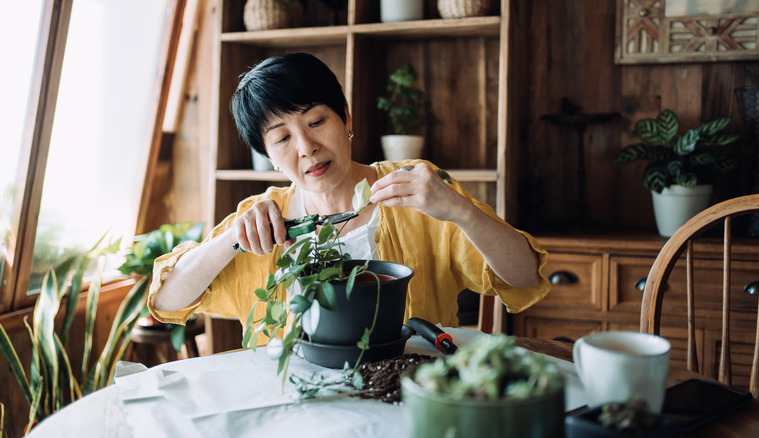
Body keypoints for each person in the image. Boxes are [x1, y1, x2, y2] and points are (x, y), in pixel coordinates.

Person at [148, 53, 550, 343]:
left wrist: (461, 211)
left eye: (316, 121)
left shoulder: (417, 189)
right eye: (283, 138)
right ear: (268, 156)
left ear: (346, 117)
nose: (306, 147)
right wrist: (232, 238)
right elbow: (166, 300)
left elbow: (525, 278)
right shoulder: (264, 218)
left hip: (408, 394)